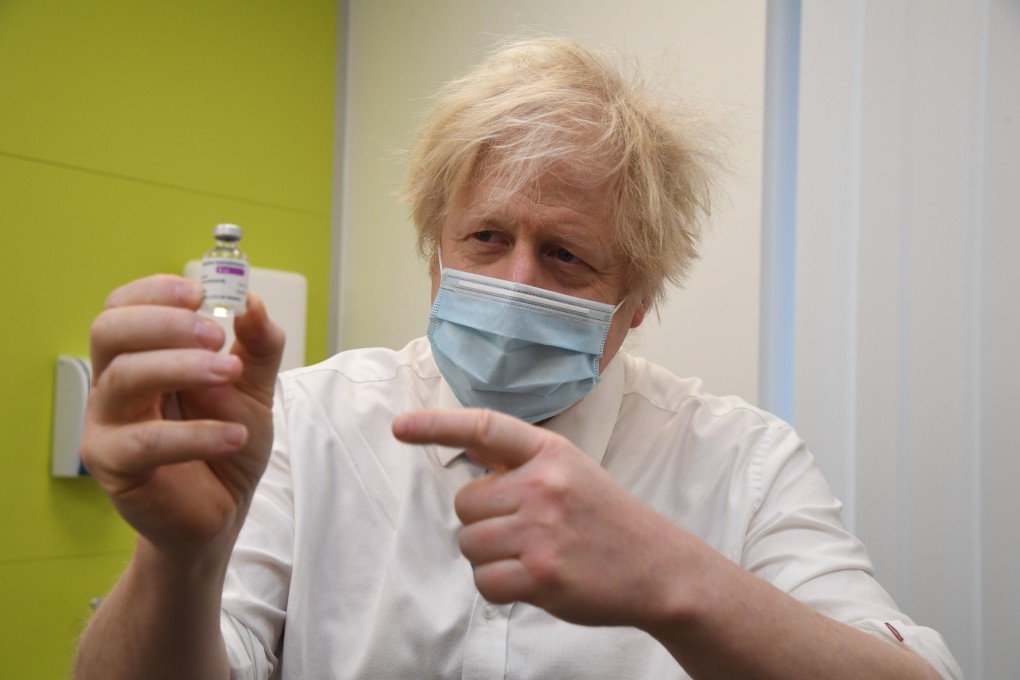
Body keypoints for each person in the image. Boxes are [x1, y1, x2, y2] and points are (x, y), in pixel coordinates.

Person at [74, 37, 961, 679]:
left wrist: (675, 582)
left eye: (567, 256)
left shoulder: (743, 465)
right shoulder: (303, 426)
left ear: (639, 300)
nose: (514, 281)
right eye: (487, 238)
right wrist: (178, 559)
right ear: (435, 255)